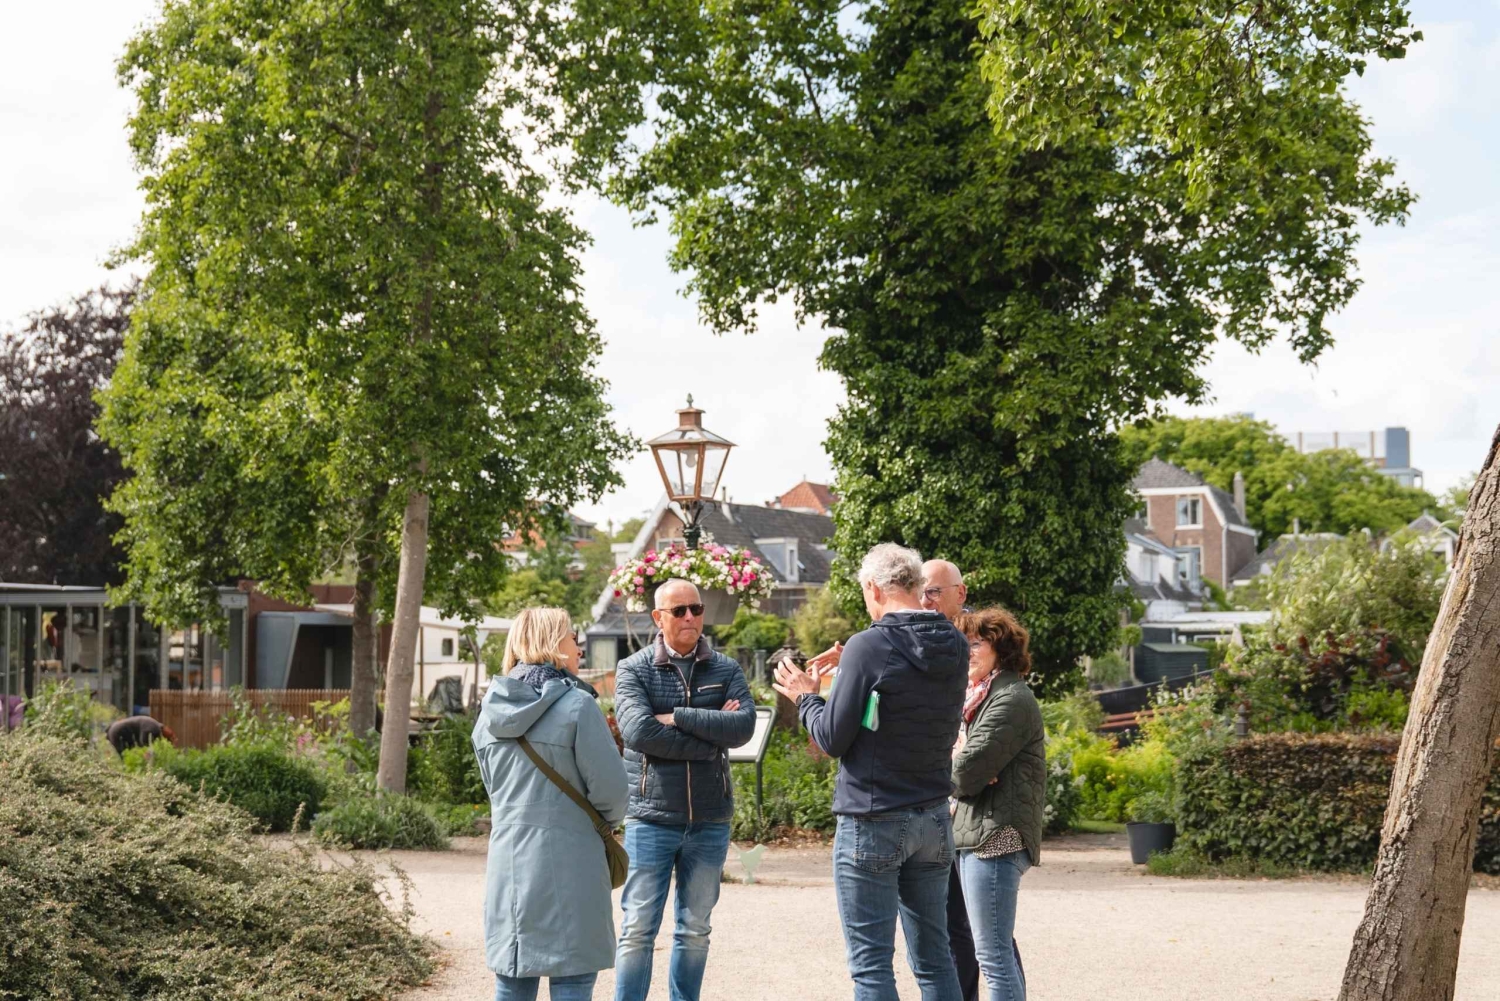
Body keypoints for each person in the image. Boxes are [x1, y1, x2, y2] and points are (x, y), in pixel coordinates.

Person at [774, 543, 968, 1001]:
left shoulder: (869, 645)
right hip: (933, 816)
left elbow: (832, 739)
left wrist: (806, 696)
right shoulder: (955, 644)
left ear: (872, 588)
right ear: (917, 585)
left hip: (873, 816)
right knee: (936, 961)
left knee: (872, 966)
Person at [473, 607, 628, 1001]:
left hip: (509, 863)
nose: (578, 647)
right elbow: (612, 793)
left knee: (513, 976)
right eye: (573, 638)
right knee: (573, 976)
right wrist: (604, 823)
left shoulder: (488, 713)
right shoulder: (578, 707)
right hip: (574, 859)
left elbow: (494, 788)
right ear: (554, 643)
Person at [612, 578, 757, 1001]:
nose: (690, 616)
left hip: (710, 819)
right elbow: (639, 732)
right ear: (658, 618)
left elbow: (743, 727)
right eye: (679, 611)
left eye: (696, 608)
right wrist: (711, 738)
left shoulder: (726, 669)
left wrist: (678, 716)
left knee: (695, 929)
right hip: (650, 819)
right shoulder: (634, 669)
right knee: (638, 928)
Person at [950, 608, 1045, 1001]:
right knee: (991, 950)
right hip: (975, 832)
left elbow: (964, 774)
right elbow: (964, 767)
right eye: (964, 645)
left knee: (992, 955)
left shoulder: (1010, 699)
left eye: (976, 644)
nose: (967, 652)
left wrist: (958, 762)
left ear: (1001, 650)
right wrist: (960, 760)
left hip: (995, 837)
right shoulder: (978, 699)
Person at [918, 560, 980, 1001]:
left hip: (969, 807)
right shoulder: (919, 638)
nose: (926, 601)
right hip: (934, 805)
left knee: (979, 925)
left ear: (961, 592)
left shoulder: (977, 641)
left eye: (934, 592)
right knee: (943, 919)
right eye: (921, 592)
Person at [105, 715, 176, 755]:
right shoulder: (154, 729)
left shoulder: (154, 725)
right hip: (117, 732)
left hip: (114, 728)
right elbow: (144, 743)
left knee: (128, 755)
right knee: (126, 757)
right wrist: (147, 751)